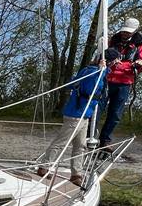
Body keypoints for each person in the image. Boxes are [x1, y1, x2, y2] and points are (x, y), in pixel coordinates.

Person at [37, 48, 118, 187]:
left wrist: (103, 71)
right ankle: (44, 166)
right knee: (61, 142)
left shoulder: (95, 71)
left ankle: (76, 174)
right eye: (115, 61)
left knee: (80, 146)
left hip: (85, 114)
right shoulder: (92, 72)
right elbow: (90, 89)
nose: (117, 64)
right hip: (76, 114)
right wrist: (101, 71)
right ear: (109, 61)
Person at [99, 17, 142, 148]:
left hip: (124, 83)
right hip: (107, 80)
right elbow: (101, 58)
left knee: (115, 114)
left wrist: (141, 63)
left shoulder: (139, 47)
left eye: (128, 32)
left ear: (134, 32)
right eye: (124, 31)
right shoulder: (111, 42)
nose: (125, 34)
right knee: (97, 109)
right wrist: (109, 61)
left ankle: (105, 140)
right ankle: (89, 135)